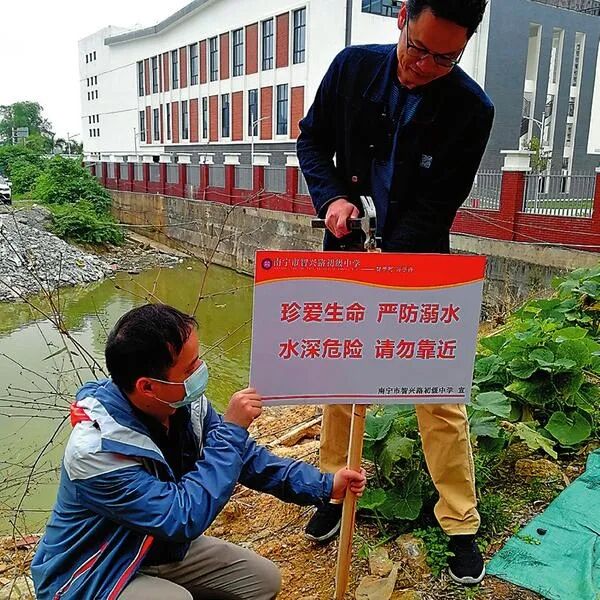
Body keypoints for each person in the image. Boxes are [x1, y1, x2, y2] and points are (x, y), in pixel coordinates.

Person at [297, 0, 494, 586]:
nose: (425, 66)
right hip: (348, 253)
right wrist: (333, 197)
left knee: (439, 397)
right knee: (340, 384)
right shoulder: (352, 68)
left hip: (421, 265)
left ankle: (460, 522)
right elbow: (312, 142)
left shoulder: (471, 108)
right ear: (402, 16)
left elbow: (441, 203)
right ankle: (334, 490)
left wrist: (390, 266)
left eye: (446, 58)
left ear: (464, 46)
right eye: (419, 49)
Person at [31, 304, 366, 600]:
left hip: (157, 549)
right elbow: (181, 516)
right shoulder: (96, 451)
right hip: (95, 570)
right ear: (147, 386)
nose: (201, 371)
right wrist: (231, 430)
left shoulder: (181, 404)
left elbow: (247, 458)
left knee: (262, 582)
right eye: (190, 368)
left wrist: (324, 485)